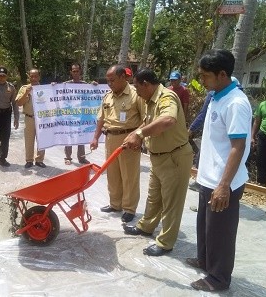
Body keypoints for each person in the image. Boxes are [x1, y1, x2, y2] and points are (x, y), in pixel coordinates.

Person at [187, 49, 252, 292]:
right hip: (208, 177)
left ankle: (218, 278)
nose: (201, 81)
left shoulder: (236, 103)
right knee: (205, 226)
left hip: (224, 181)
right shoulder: (217, 96)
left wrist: (224, 185)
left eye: (205, 76)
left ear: (222, 74)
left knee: (220, 233)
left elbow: (238, 146)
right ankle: (205, 260)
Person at [122, 68, 193, 256]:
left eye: (137, 87)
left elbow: (168, 120)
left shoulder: (166, 97)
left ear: (146, 84)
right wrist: (135, 134)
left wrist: (140, 134)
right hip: (158, 157)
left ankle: (165, 243)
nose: (136, 91)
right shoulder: (149, 100)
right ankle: (146, 226)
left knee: (171, 203)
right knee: (154, 198)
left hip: (174, 157)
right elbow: (148, 123)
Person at [90, 64, 145, 223]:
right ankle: (115, 204)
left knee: (129, 175)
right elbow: (101, 118)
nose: (109, 83)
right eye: (107, 80)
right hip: (110, 138)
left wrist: (138, 137)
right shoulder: (107, 96)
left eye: (112, 80)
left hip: (129, 138)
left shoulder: (136, 95)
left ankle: (129, 208)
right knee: (112, 173)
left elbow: (146, 119)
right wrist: (95, 137)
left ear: (123, 77)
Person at [15, 68, 47, 169]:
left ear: (39, 77)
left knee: (42, 140)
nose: (33, 78)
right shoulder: (24, 88)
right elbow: (19, 103)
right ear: (29, 77)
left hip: (42, 118)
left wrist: (54, 87)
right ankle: (29, 160)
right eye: (31, 76)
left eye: (35, 76)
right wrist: (26, 93)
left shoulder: (45, 88)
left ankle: (39, 160)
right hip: (29, 118)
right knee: (29, 140)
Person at [63, 63, 90, 165]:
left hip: (82, 116)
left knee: (81, 137)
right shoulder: (65, 84)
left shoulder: (85, 85)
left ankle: (81, 158)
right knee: (69, 136)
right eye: (73, 71)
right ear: (71, 72)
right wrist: (53, 86)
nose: (75, 73)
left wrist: (95, 86)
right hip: (70, 115)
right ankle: (68, 157)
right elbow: (57, 93)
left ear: (80, 71)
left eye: (77, 71)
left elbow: (93, 94)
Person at [251, 96, 266, 187]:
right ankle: (262, 183)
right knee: (261, 159)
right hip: (263, 135)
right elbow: (257, 121)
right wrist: (252, 136)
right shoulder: (263, 104)